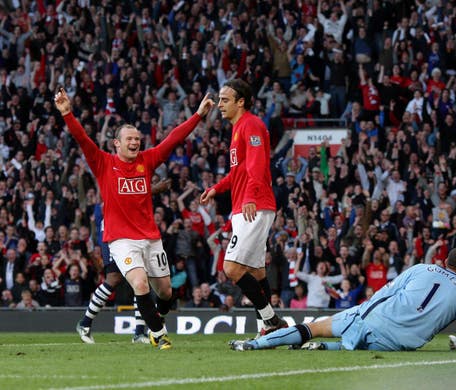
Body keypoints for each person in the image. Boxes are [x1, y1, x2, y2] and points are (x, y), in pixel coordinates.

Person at [55, 87, 215, 350]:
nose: (134, 142)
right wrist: (67, 113)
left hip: (150, 237)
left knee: (165, 291)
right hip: (120, 239)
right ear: (116, 143)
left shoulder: (147, 160)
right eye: (129, 139)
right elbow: (83, 139)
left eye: (137, 139)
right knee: (138, 283)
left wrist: (198, 115)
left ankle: (152, 324)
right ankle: (158, 334)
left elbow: (172, 139)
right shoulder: (103, 163)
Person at [229, 248, 456, 351]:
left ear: (445, 262)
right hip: (398, 344)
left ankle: (256, 344)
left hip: (373, 317)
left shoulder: (422, 269)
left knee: (315, 328)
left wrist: (364, 310)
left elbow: (387, 291)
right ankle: (328, 348)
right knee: (357, 346)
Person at [200, 79, 287, 335]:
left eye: (225, 99)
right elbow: (237, 172)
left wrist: (249, 196)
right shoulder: (238, 128)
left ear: (241, 101)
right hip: (245, 205)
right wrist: (217, 188)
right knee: (256, 272)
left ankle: (271, 320)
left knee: (232, 268)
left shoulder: (252, 125)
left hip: (254, 205)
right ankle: (266, 329)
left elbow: (258, 165)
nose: (220, 104)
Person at [76, 180, 171, 345]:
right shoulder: (115, 183)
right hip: (113, 234)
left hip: (133, 234)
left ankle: (139, 332)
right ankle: (85, 323)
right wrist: (155, 189)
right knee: (114, 278)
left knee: (140, 280)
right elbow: (126, 196)